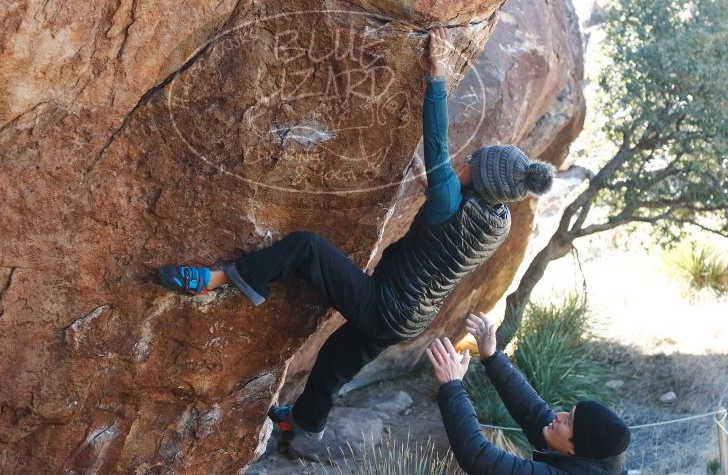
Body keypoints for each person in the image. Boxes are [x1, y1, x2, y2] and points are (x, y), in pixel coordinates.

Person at [156, 27, 556, 459]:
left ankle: (216, 279)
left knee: (305, 248)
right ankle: (305, 424)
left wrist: (437, 74)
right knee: (332, 360)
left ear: (479, 179)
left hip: (386, 304)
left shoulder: (449, 199)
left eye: (473, 162)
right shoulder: (496, 219)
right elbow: (447, 228)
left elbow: (437, 143)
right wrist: (431, 188)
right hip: (410, 318)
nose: (466, 160)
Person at [426, 312, 631, 474]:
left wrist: (452, 387)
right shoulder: (591, 460)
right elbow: (534, 414)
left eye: (568, 421)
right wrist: (492, 357)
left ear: (575, 451)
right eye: (568, 413)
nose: (559, 415)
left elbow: (478, 457)